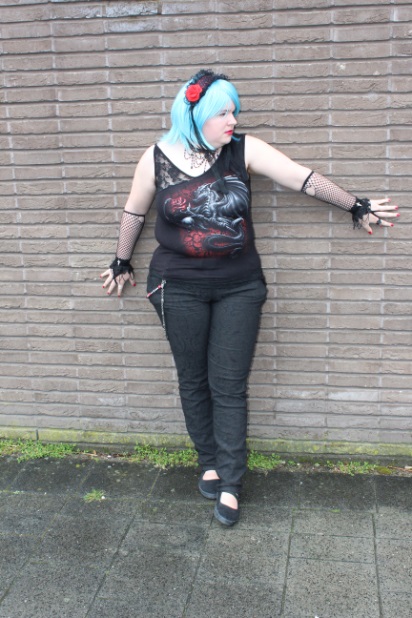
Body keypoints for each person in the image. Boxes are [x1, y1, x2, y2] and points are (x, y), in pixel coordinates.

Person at [101, 69, 399, 526]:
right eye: (223, 112)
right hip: (176, 286)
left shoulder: (244, 150)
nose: (233, 120)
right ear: (195, 113)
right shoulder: (156, 158)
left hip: (239, 287)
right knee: (193, 379)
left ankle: (231, 483)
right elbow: (134, 212)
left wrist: (355, 204)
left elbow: (301, 178)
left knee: (228, 385)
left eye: (234, 111)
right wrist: (122, 260)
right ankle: (209, 461)